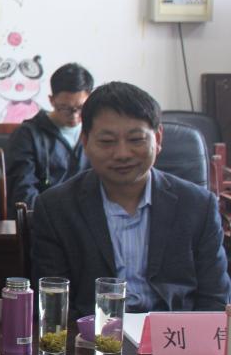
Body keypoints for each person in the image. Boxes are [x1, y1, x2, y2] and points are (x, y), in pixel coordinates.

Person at [32, 81, 231, 319]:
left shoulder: (198, 205)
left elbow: (215, 298)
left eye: (136, 139)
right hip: (93, 336)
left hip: (175, 336)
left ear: (158, 138)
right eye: (107, 141)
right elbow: (54, 304)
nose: (122, 154)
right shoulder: (56, 208)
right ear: (85, 142)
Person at [6, 62, 94, 214]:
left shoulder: (97, 133)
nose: (74, 115)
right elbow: (23, 193)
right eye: (65, 107)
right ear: (51, 100)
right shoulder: (27, 135)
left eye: (81, 108)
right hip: (44, 218)